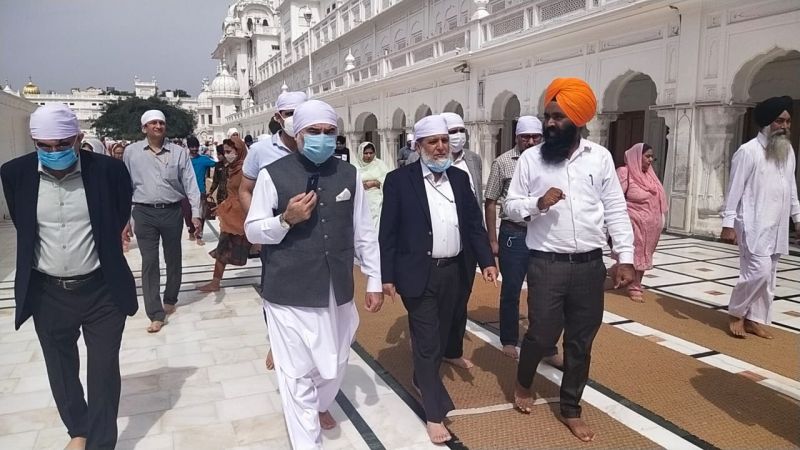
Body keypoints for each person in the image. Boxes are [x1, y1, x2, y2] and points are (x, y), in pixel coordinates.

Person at [244, 99, 384, 449]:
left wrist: (375, 279)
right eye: (314, 132)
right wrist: (285, 219)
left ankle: (321, 403)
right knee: (295, 375)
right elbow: (252, 230)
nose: (322, 138)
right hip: (289, 291)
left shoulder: (348, 173)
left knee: (334, 364)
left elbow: (364, 232)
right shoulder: (272, 174)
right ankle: (308, 441)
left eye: (329, 132)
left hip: (336, 288)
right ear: (297, 133)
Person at [0, 104, 137, 449]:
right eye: (44, 146)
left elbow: (118, 214)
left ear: (78, 138)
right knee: (61, 370)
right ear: (34, 142)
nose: (53, 152)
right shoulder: (15, 174)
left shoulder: (107, 172)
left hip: (101, 290)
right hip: (48, 292)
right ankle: (79, 429)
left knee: (103, 371)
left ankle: (101, 443)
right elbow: (24, 224)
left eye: (62, 144)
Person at [505, 78, 635, 442]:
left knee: (581, 340)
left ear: (577, 120)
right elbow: (511, 205)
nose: (549, 124)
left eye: (558, 117)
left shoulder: (600, 157)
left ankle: (571, 408)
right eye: (547, 116)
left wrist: (624, 257)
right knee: (541, 332)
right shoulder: (531, 159)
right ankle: (524, 380)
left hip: (590, 265)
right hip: (547, 263)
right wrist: (538, 203)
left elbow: (615, 208)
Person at [379, 114, 498, 444]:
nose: (441, 146)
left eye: (444, 140)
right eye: (433, 141)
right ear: (418, 146)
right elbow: (387, 233)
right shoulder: (399, 180)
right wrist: (385, 276)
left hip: (455, 271)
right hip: (419, 273)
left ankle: (422, 374)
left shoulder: (459, 179)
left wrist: (487, 261)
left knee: (444, 331)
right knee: (428, 341)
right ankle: (434, 413)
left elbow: (474, 226)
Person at [721, 96, 799, 339]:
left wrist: (797, 218)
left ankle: (755, 319)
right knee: (758, 272)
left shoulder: (788, 151)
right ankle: (736, 312)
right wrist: (728, 223)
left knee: (770, 275)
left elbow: (791, 187)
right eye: (779, 121)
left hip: (777, 226)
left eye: (788, 121)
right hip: (753, 223)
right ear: (767, 122)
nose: (785, 126)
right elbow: (734, 189)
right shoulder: (748, 152)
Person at [122, 110, 202, 333]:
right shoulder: (131, 152)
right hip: (143, 212)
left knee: (173, 257)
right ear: (144, 128)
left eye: (161, 122)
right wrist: (125, 218)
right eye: (153, 123)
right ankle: (155, 313)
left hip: (171, 211)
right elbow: (125, 186)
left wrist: (196, 213)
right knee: (149, 261)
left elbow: (190, 183)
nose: (158, 126)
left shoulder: (178, 152)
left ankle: (170, 298)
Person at [484, 115, 552, 360]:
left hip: (543, 233)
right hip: (514, 234)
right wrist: (493, 239)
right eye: (526, 136)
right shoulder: (503, 162)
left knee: (542, 291)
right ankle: (509, 339)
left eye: (536, 136)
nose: (531, 141)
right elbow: (490, 201)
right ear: (517, 137)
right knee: (511, 289)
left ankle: (544, 344)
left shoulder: (550, 161)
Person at [438, 111, 485, 370]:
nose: (456, 137)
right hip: (436, 243)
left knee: (460, 297)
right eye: (451, 131)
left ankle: (452, 349)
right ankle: (426, 344)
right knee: (432, 298)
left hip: (466, 242)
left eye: (460, 130)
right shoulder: (419, 159)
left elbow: (477, 200)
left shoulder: (474, 160)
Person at [609, 143, 669, 302]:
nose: (650, 160)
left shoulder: (650, 176)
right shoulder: (624, 173)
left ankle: (618, 271)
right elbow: (614, 198)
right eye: (647, 156)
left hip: (651, 228)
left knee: (644, 254)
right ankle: (635, 286)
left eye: (652, 157)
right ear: (636, 156)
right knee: (636, 254)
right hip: (633, 224)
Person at [239, 91, 306, 214]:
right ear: (278, 117)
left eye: (300, 113)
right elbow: (245, 191)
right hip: (273, 225)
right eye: (289, 113)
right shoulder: (259, 150)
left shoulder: (314, 149)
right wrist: (257, 225)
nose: (295, 118)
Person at [199, 137, 252, 292]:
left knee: (259, 249)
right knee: (223, 247)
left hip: (244, 215)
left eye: (230, 152)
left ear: (239, 151)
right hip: (231, 216)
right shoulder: (230, 168)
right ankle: (215, 282)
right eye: (225, 152)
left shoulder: (247, 170)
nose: (227, 155)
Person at [183, 136, 216, 245]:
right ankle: (191, 231)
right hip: (186, 192)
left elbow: (217, 163)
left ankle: (199, 236)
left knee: (201, 215)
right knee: (188, 214)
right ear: (188, 147)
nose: (194, 149)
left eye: (196, 147)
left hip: (200, 192)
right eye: (192, 147)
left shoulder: (203, 159)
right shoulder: (184, 161)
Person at [350, 141, 389, 228]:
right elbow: (351, 183)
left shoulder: (380, 165)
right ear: (361, 153)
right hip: (361, 199)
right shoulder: (355, 167)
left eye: (371, 153)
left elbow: (389, 182)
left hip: (378, 200)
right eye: (366, 153)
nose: (368, 156)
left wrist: (375, 183)